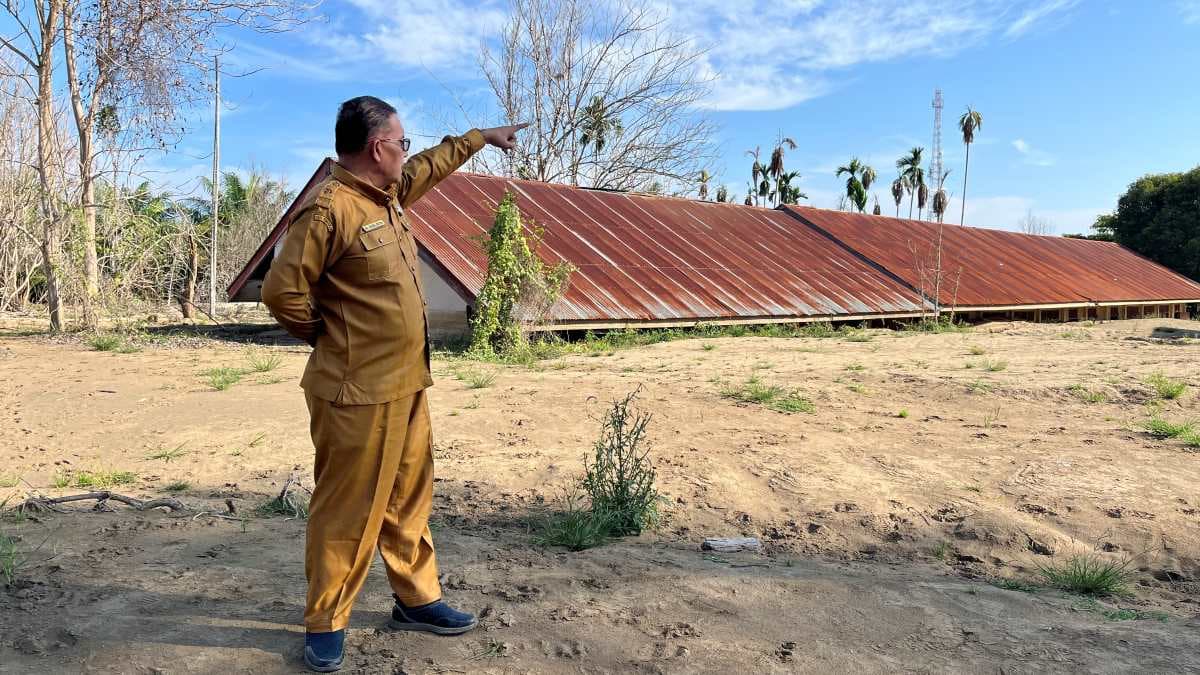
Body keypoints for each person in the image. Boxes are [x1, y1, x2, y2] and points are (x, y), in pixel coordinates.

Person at [261, 96, 528, 673]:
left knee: (409, 501)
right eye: (401, 142)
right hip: (357, 390)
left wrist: (480, 137)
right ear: (378, 147)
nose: (407, 152)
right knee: (348, 508)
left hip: (407, 385)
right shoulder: (329, 210)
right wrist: (334, 339)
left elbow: (431, 165)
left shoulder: (386, 195)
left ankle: (416, 599)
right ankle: (326, 621)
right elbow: (281, 292)